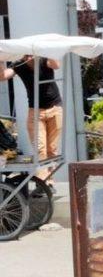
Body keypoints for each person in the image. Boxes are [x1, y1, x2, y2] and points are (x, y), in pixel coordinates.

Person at [0, 55, 62, 184]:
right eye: (26, 53)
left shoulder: (44, 59)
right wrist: (1, 60)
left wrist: (48, 50)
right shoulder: (20, 64)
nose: (28, 56)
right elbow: (3, 76)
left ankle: (49, 181)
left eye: (31, 53)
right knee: (40, 148)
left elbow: (56, 65)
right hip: (35, 112)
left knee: (52, 149)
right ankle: (42, 182)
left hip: (55, 108)